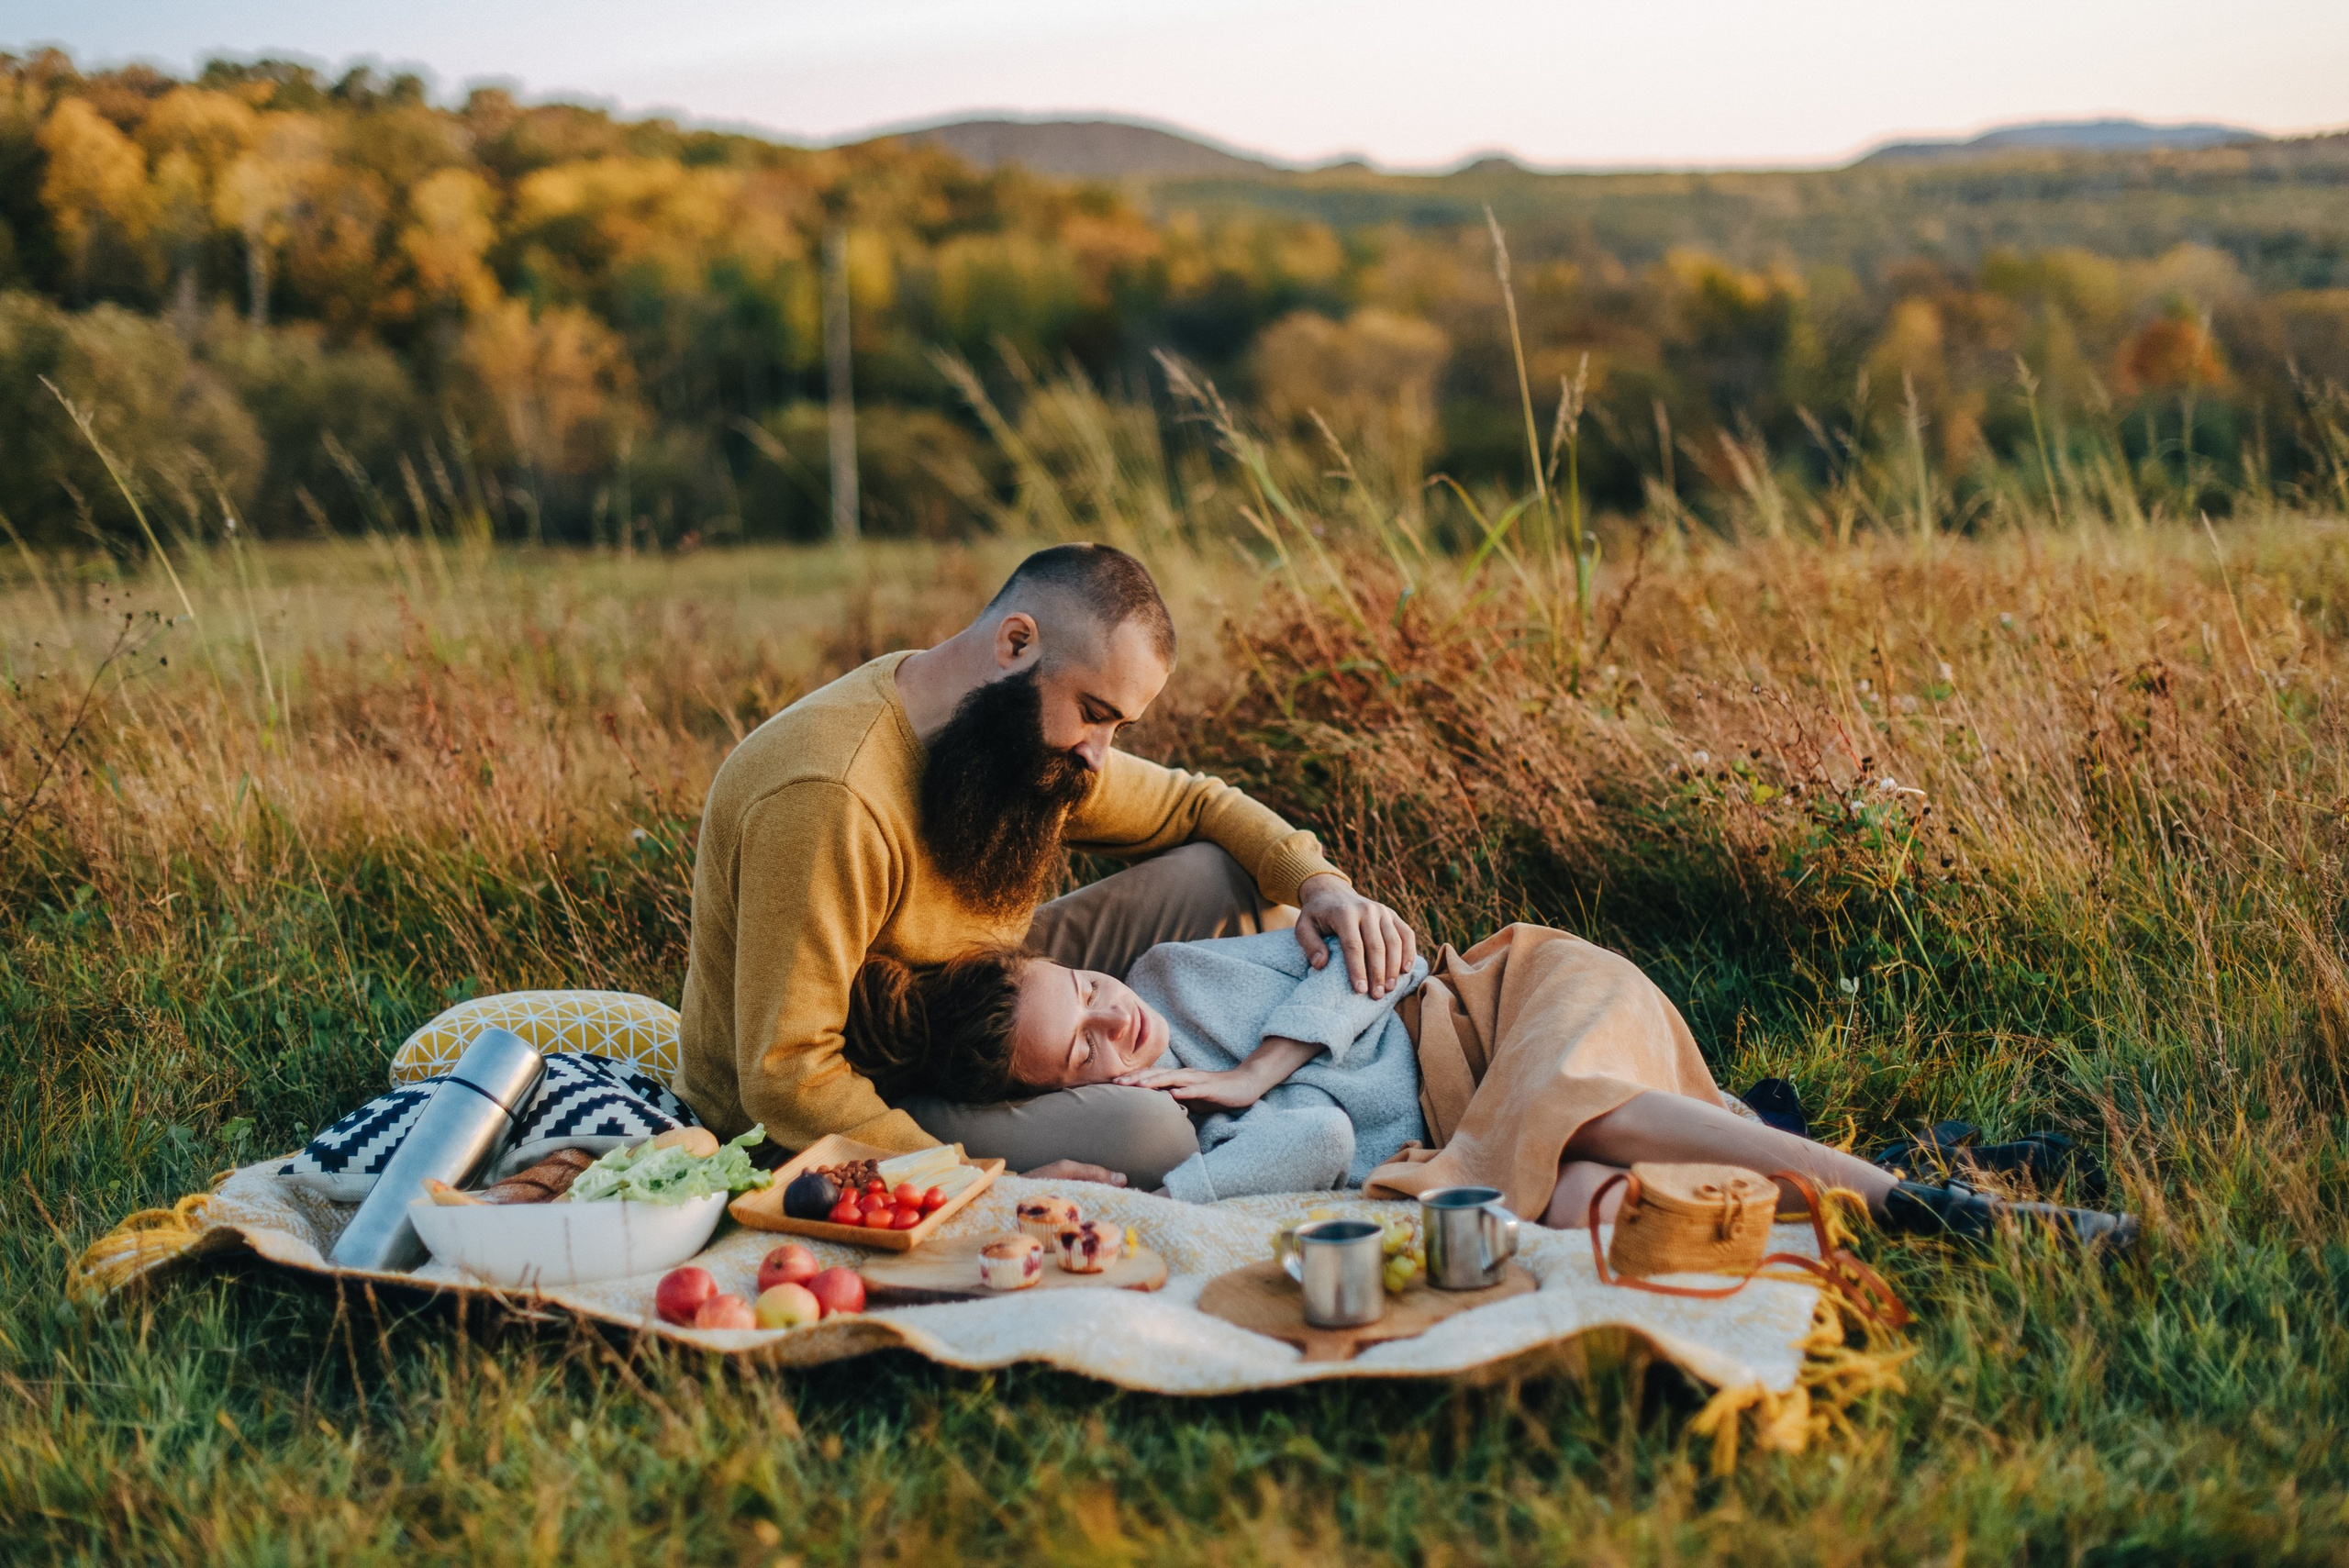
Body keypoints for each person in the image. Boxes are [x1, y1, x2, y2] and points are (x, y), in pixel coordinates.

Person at [674, 542, 1417, 1188]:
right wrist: (974, 1181)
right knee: (1151, 1133)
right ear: (1016, 643)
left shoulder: (1007, 736)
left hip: (993, 996)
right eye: (1095, 713)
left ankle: (1247, 1077)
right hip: (866, 1081)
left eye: (1119, 726)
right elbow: (789, 1077)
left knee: (1227, 879)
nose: (1100, 753)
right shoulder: (830, 796)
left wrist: (1323, 885)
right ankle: (1182, 1099)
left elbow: (1198, 803)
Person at [840, 925, 2141, 1246]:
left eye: (1086, 993)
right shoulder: (1164, 1116)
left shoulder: (1179, 966)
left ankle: (1927, 1206)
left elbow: (1371, 960)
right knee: (1584, 1202)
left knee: (1570, 1103)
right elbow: (1301, 1152)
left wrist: (1254, 1060)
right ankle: (1873, 1200)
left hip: (1505, 1001)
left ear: (1079, 961)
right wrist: (1183, 1159)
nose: (1114, 1027)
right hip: (1465, 1137)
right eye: (1081, 1054)